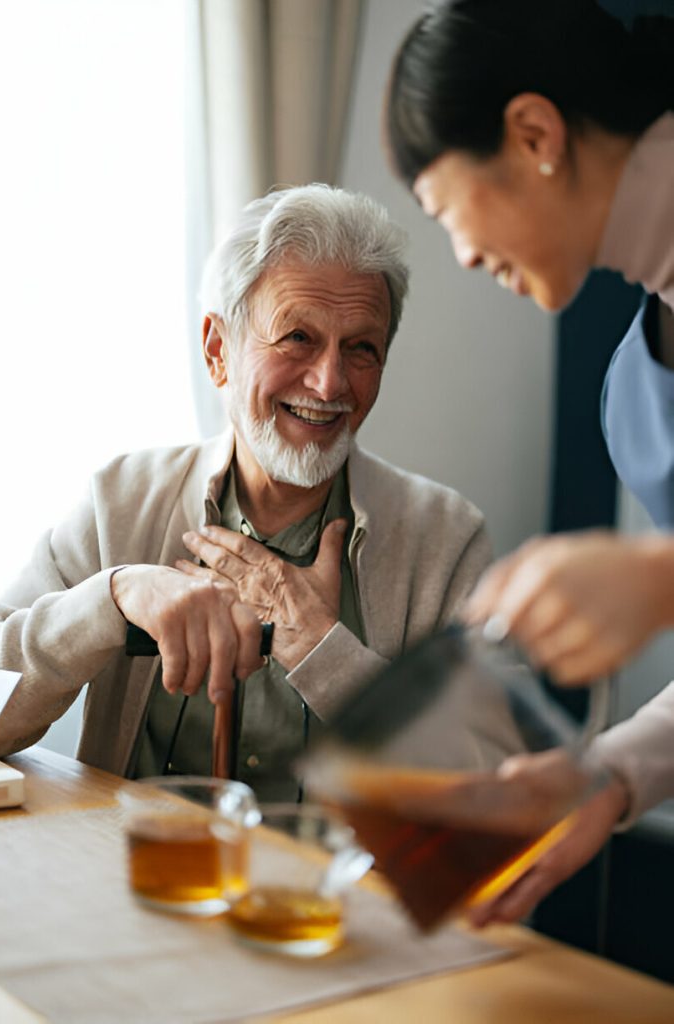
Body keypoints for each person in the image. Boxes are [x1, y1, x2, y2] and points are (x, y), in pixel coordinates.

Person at [0, 183, 497, 801]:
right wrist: (114, 597)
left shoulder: (445, 538)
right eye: (297, 338)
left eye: (361, 348)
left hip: (338, 894)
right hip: (137, 882)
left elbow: (498, 777)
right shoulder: (120, 499)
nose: (330, 381)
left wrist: (322, 648)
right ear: (217, 351)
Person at [385, 0, 674, 921]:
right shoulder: (633, 380)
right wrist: (607, 776)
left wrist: (659, 577)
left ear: (534, 132)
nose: (461, 257)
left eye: (441, 209)